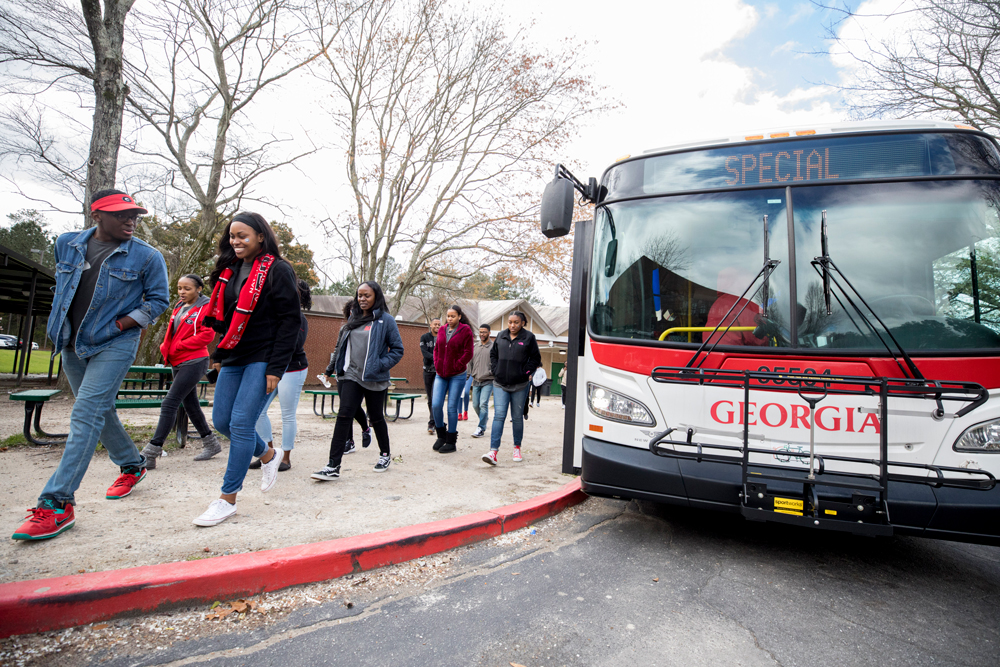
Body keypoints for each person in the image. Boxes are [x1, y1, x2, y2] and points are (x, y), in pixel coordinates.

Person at [12, 189, 169, 541]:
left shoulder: (147, 256)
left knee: (85, 413)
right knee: (101, 411)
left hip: (115, 343)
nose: (131, 220)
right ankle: (132, 464)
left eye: (135, 215)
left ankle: (57, 503)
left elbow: (159, 300)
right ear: (96, 215)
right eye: (121, 215)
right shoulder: (66, 244)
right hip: (71, 341)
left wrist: (122, 324)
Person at [194, 212, 301, 527]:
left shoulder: (278, 270)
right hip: (234, 355)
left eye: (243, 235)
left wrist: (276, 368)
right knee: (222, 420)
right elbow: (225, 319)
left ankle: (227, 499)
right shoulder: (227, 271)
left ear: (260, 237)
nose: (236, 241)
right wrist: (218, 354)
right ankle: (269, 455)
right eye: (232, 236)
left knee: (241, 423)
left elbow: (290, 322)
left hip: (263, 356)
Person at [311, 281, 404, 480]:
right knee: (344, 415)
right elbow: (339, 348)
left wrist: (379, 364)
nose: (362, 299)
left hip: (374, 376)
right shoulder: (351, 320)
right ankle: (333, 466)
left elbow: (397, 350)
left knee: (376, 417)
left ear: (376, 297)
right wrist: (332, 369)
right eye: (359, 295)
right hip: (351, 375)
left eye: (367, 296)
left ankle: (385, 454)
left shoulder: (386, 320)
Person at [141, 274, 221, 468]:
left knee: (170, 402)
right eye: (179, 288)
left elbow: (207, 334)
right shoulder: (178, 306)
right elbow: (172, 332)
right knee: (190, 403)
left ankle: (152, 451)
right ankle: (211, 443)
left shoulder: (206, 307)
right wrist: (166, 347)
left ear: (199, 289)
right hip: (177, 360)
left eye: (187, 288)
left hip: (194, 360)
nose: (182, 292)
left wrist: (180, 346)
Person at [249, 279, 313, 472]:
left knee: (287, 414)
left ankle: (286, 457)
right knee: (258, 412)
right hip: (272, 370)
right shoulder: (272, 313)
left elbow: (294, 345)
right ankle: (268, 455)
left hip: (293, 368)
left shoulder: (299, 318)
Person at [484, 311, 540, 466]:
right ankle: (493, 451)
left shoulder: (528, 337)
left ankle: (517, 447)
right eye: (510, 322)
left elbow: (536, 359)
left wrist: (525, 373)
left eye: (516, 322)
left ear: (522, 323)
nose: (512, 325)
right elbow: (493, 355)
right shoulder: (501, 336)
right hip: (500, 383)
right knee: (499, 416)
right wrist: (495, 370)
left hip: (520, 385)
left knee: (516, 417)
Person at [431, 305, 474, 454]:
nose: (450, 319)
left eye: (453, 316)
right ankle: (441, 436)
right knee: (436, 405)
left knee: (451, 407)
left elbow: (469, 352)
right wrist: (437, 364)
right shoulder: (442, 330)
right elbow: (436, 349)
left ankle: (451, 442)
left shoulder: (465, 331)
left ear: (459, 317)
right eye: (448, 316)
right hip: (441, 374)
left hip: (457, 375)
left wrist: (458, 364)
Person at [469, 324, 494, 439]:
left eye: (484, 332)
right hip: (476, 380)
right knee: (475, 405)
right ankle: (484, 419)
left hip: (488, 380)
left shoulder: (494, 347)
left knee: (483, 403)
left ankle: (481, 428)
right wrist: (469, 374)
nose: (482, 334)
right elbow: (470, 362)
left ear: (489, 333)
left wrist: (491, 372)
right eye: (480, 332)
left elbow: (496, 363)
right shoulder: (475, 346)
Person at [420, 318, 441, 434]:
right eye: (435, 324)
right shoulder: (424, 337)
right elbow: (424, 353)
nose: (437, 326)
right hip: (427, 370)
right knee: (430, 398)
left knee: (435, 397)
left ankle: (432, 422)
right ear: (431, 325)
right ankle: (434, 421)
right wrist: (436, 358)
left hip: (439, 372)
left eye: (439, 324)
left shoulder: (443, 337)